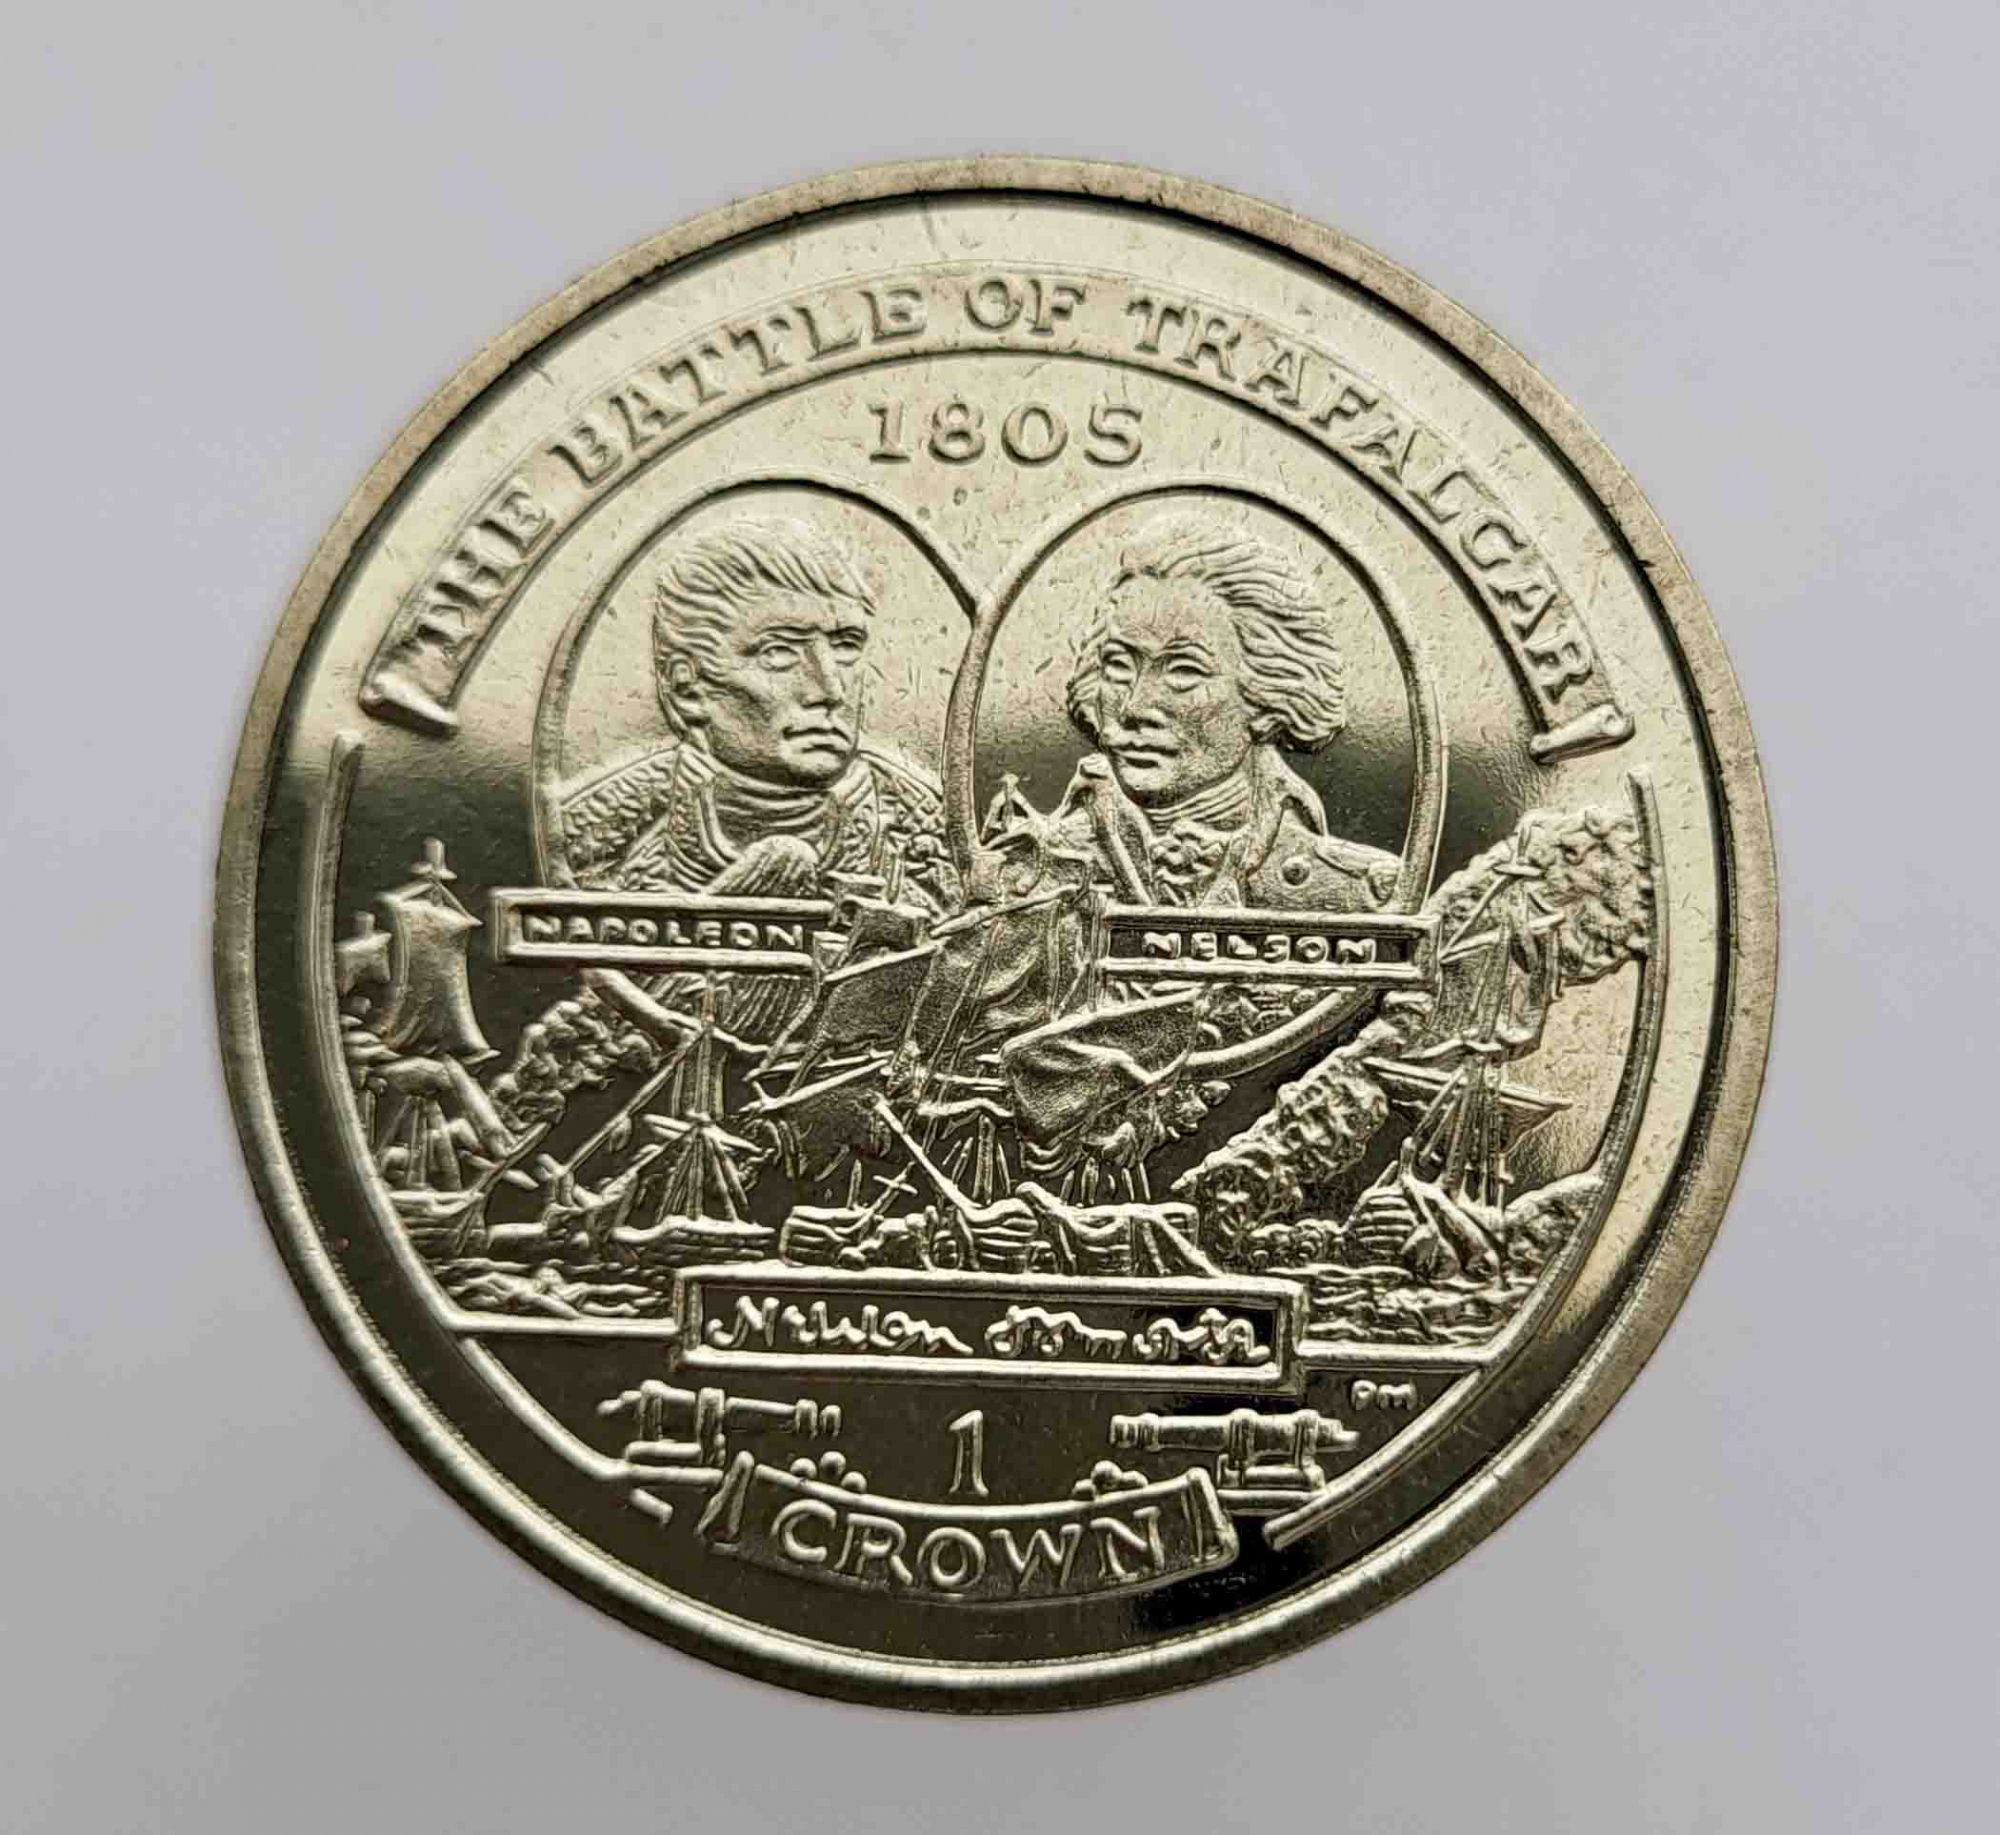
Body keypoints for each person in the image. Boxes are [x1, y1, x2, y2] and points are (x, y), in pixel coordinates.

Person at [561, 512, 954, 913]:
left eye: (845, 647)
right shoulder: (585, 842)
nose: (830, 690)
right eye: (778, 652)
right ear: (687, 688)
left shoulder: (944, 843)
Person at [1054, 512, 1399, 913]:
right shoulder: (1030, 875)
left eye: (1184, 671)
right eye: (1118, 665)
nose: (1134, 708)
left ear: (1267, 695)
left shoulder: (1360, 892)